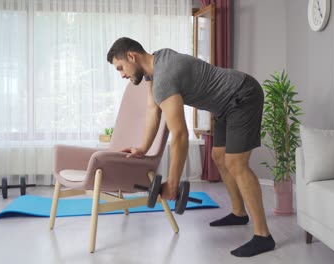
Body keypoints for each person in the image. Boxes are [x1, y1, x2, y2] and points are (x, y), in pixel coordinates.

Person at [107, 37, 275, 257]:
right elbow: (152, 111)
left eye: (121, 68)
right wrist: (142, 148)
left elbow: (180, 135)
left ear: (132, 56)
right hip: (224, 105)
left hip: (243, 94)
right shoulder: (155, 64)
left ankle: (263, 236)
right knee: (218, 156)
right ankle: (238, 213)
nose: (122, 75)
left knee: (236, 163)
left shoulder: (165, 77)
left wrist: (173, 184)